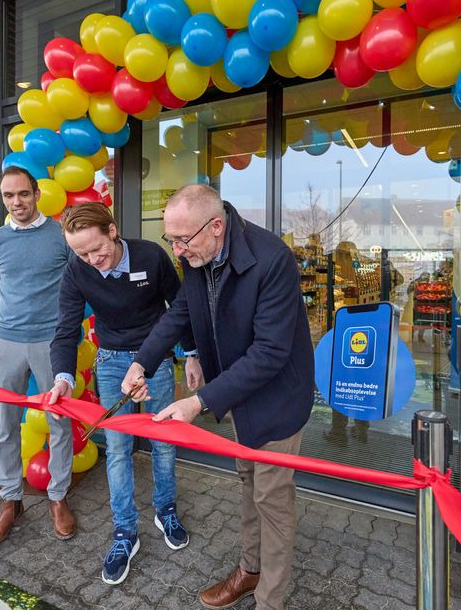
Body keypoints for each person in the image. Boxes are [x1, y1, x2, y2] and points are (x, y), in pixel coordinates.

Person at [123, 184, 315, 610]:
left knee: (272, 499)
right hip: (236, 392)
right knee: (248, 482)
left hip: (277, 398)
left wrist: (198, 402)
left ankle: (270, 599)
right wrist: (143, 362)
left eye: (181, 240)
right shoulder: (199, 252)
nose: (175, 251)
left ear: (215, 226)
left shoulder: (272, 259)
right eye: (168, 239)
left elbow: (270, 353)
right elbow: (182, 313)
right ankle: (250, 571)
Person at [46, 202, 202, 585]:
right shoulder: (78, 269)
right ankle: (124, 533)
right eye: (81, 253)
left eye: (96, 249)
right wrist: (63, 377)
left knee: (164, 442)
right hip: (112, 361)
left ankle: (165, 510)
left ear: (112, 231)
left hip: (157, 358)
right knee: (117, 449)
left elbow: (180, 307)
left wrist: (193, 354)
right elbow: (66, 328)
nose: (91, 260)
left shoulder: (152, 255)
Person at [0, 165, 76, 550]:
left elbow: (73, 289)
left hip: (53, 344)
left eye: (22, 193)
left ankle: (58, 496)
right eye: (8, 196)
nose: (16, 202)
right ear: (3, 199)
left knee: (59, 423)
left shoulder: (60, 237)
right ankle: (10, 500)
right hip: (8, 343)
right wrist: (12, 322)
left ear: (36, 194)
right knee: (5, 424)